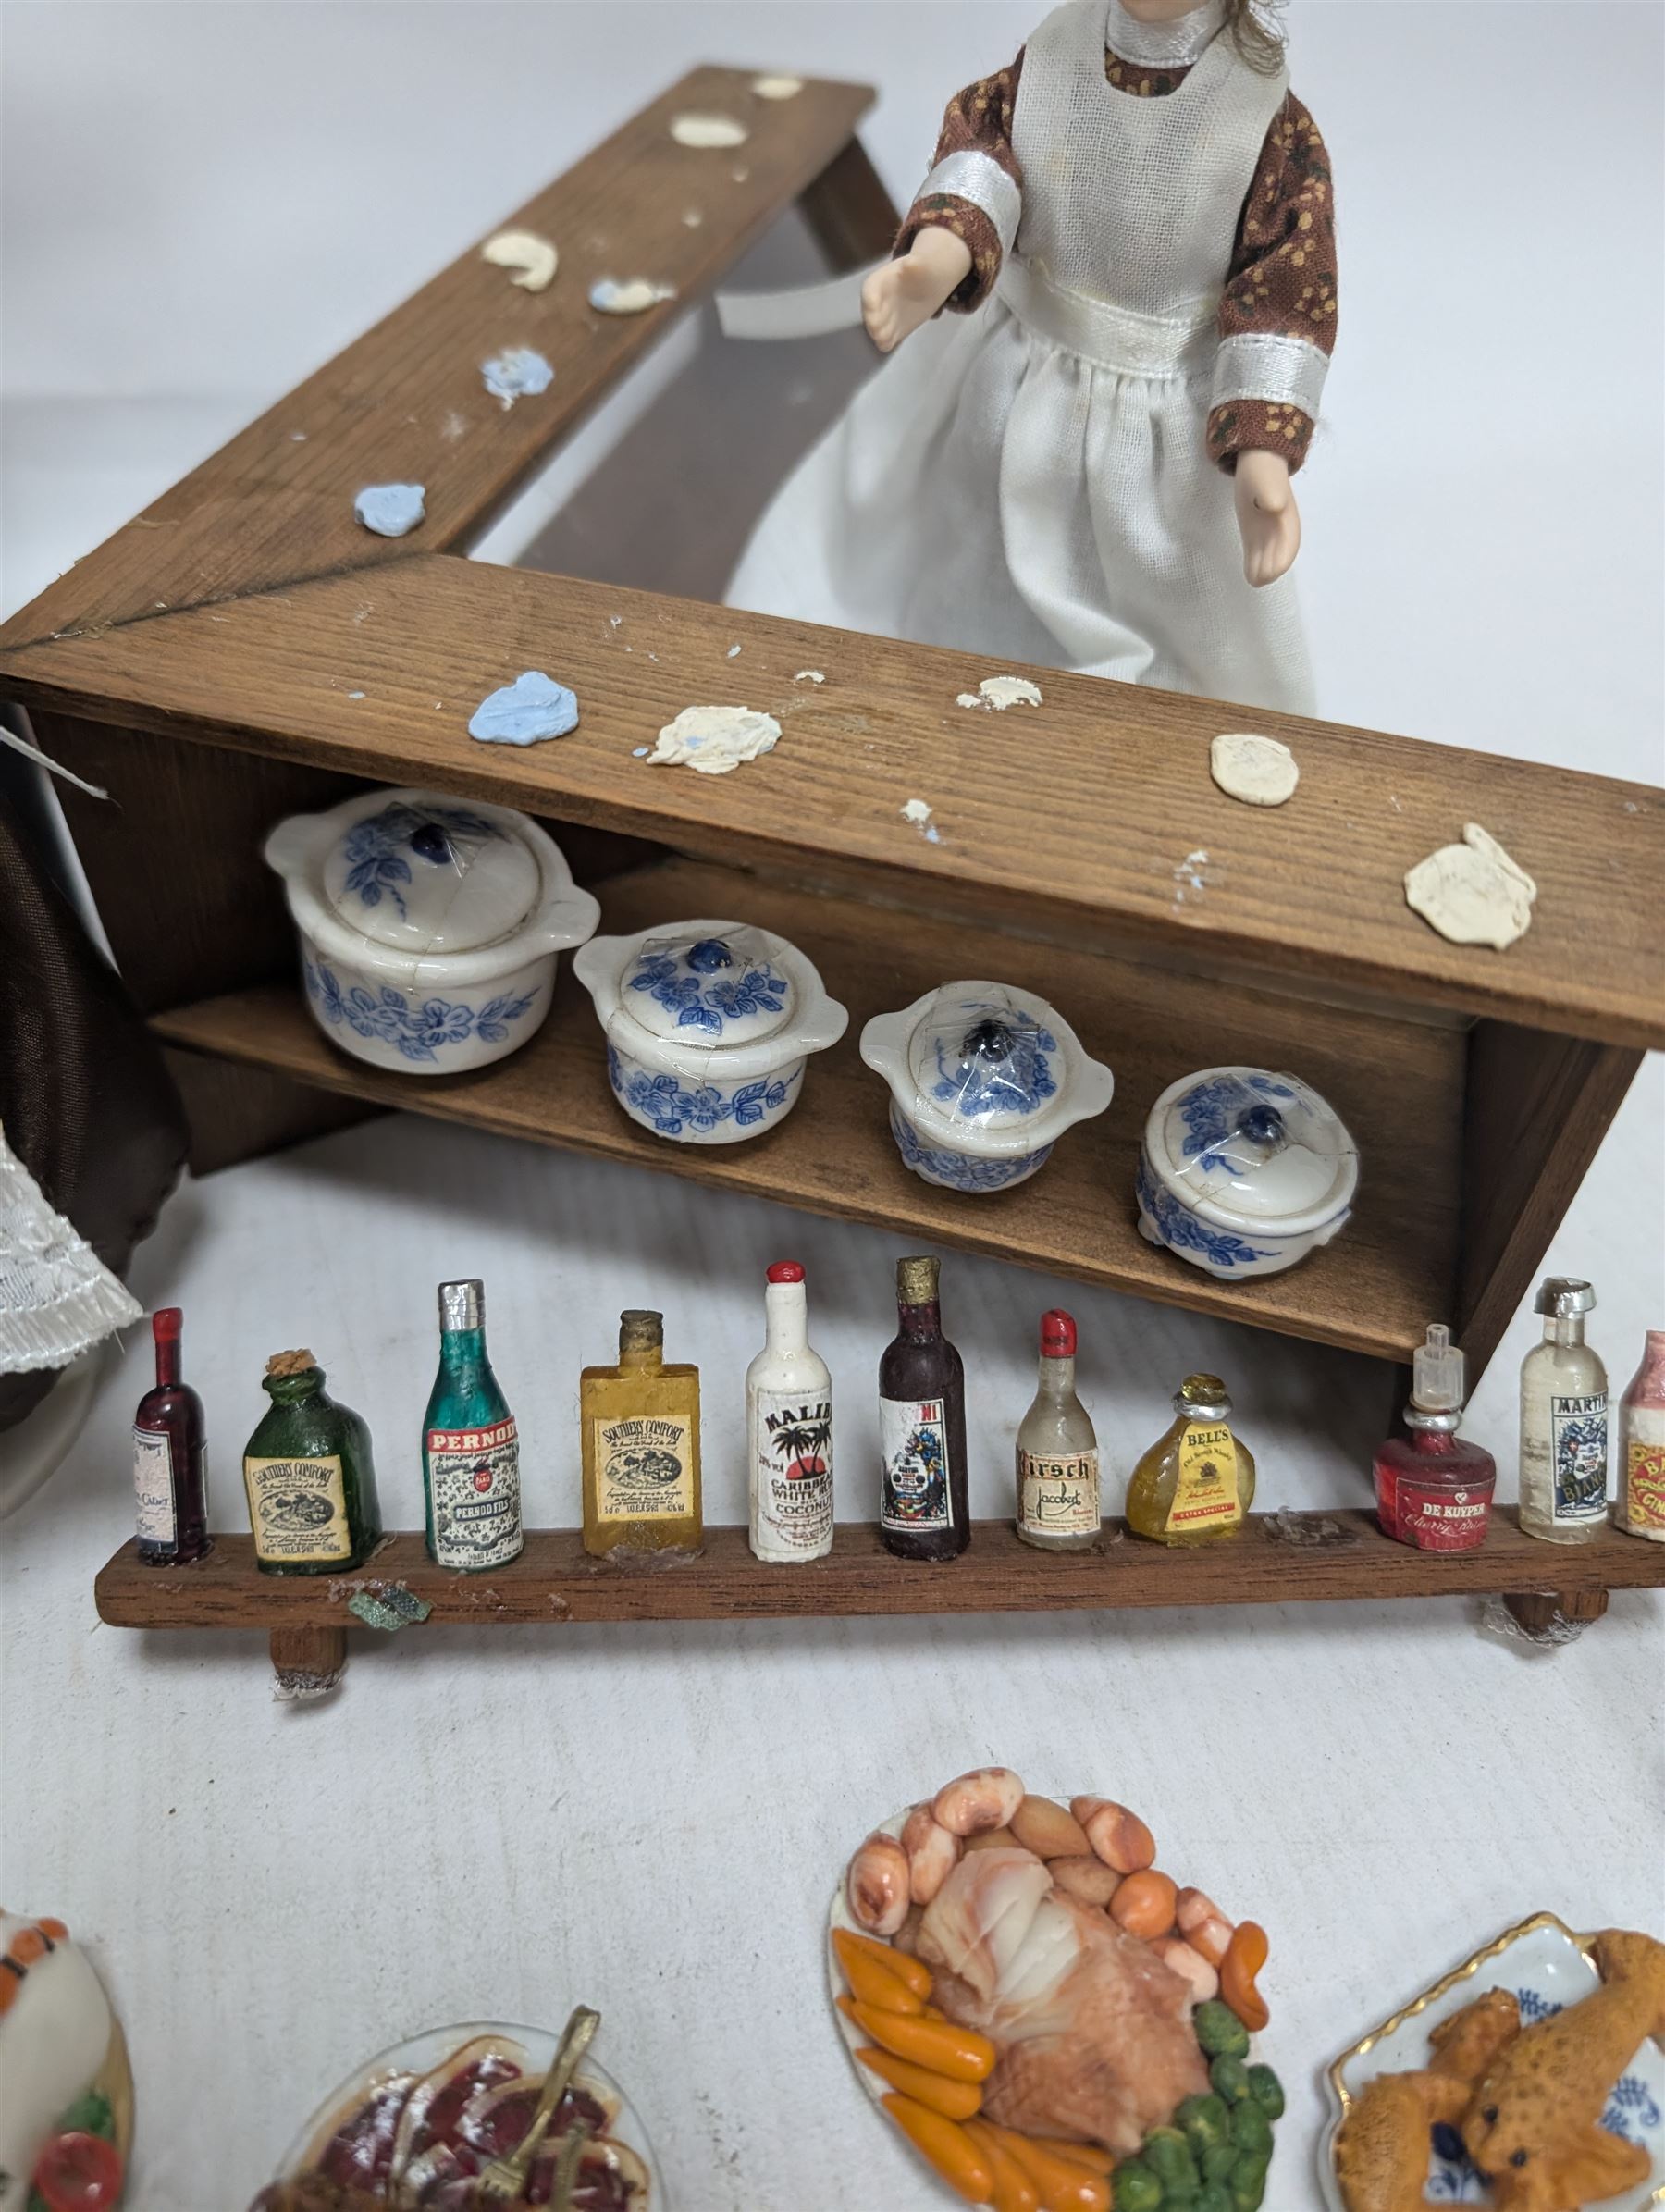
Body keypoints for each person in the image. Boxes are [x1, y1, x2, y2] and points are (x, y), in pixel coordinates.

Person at [727, 0, 1338, 714]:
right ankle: (949, 657)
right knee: (960, 537)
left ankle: (1147, 718)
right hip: (1010, 378)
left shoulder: (1266, 121)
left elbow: (1284, 286)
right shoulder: (1055, 59)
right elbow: (990, 162)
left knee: (1164, 601)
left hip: (1155, 435)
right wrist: (936, 260)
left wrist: (1262, 452)